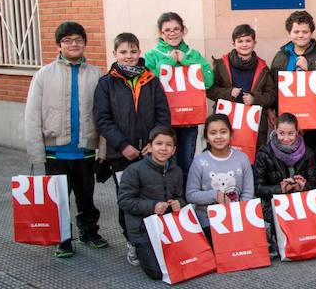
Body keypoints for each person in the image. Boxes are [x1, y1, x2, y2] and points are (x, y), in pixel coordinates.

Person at [24, 21, 106, 258]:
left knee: (86, 197)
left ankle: (89, 231)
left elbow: (102, 114)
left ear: (84, 43)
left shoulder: (96, 74)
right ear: (59, 44)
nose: (73, 44)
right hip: (55, 151)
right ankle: (62, 238)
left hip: (85, 149)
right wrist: (36, 153)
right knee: (58, 199)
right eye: (68, 40)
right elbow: (32, 115)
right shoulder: (43, 74)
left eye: (78, 40)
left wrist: (102, 149)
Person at [94, 32, 171, 265]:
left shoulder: (151, 80)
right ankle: (132, 241)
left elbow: (163, 114)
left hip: (151, 153)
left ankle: (154, 238)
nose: (129, 56)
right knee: (128, 199)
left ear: (140, 52)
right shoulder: (106, 83)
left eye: (133, 51)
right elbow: (102, 118)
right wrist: (123, 145)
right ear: (115, 54)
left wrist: (154, 142)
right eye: (124, 52)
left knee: (153, 195)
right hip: (121, 155)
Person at [144, 12, 214, 179]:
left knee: (186, 162)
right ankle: (166, 200)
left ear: (183, 31)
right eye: (167, 30)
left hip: (188, 118)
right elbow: (147, 84)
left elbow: (209, 81)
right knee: (164, 162)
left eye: (176, 29)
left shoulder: (193, 53)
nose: (172, 33)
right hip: (162, 118)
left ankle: (183, 201)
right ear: (161, 33)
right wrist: (167, 64)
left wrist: (187, 61)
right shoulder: (151, 55)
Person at [270, 10, 316, 168]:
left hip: (314, 118)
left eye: (305, 31)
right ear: (289, 33)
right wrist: (271, 109)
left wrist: (311, 67)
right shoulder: (281, 56)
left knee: (314, 158)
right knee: (286, 158)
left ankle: (313, 190)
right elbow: (273, 84)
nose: (300, 35)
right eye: (296, 31)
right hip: (288, 120)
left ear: (311, 33)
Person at [117, 126, 185, 280]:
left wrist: (178, 203)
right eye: (159, 143)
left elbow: (181, 197)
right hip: (143, 229)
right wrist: (153, 206)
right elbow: (124, 201)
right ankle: (136, 246)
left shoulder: (177, 171)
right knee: (157, 273)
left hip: (168, 228)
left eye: (168, 145)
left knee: (187, 262)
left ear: (173, 150)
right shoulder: (134, 170)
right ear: (150, 147)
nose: (163, 148)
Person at [185, 114, 255, 244]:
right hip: (208, 220)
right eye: (213, 133)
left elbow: (248, 192)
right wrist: (214, 195)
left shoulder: (242, 159)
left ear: (231, 134)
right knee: (221, 247)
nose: (218, 137)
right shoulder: (199, 162)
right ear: (206, 137)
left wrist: (240, 215)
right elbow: (191, 195)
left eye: (223, 132)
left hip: (238, 217)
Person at [207, 24, 276, 149]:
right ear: (233, 43)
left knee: (253, 160)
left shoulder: (263, 68)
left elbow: (271, 96)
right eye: (240, 41)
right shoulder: (221, 64)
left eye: (248, 41)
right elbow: (210, 90)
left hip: (255, 122)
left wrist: (255, 99)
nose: (244, 44)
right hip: (227, 120)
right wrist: (228, 93)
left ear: (254, 43)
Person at [253, 112, 316, 217]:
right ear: (275, 129)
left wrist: (304, 186)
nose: (286, 138)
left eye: (291, 133)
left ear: (297, 131)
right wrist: (280, 189)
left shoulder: (308, 153)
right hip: (273, 207)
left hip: (301, 206)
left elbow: (315, 184)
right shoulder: (264, 153)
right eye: (282, 133)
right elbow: (257, 187)